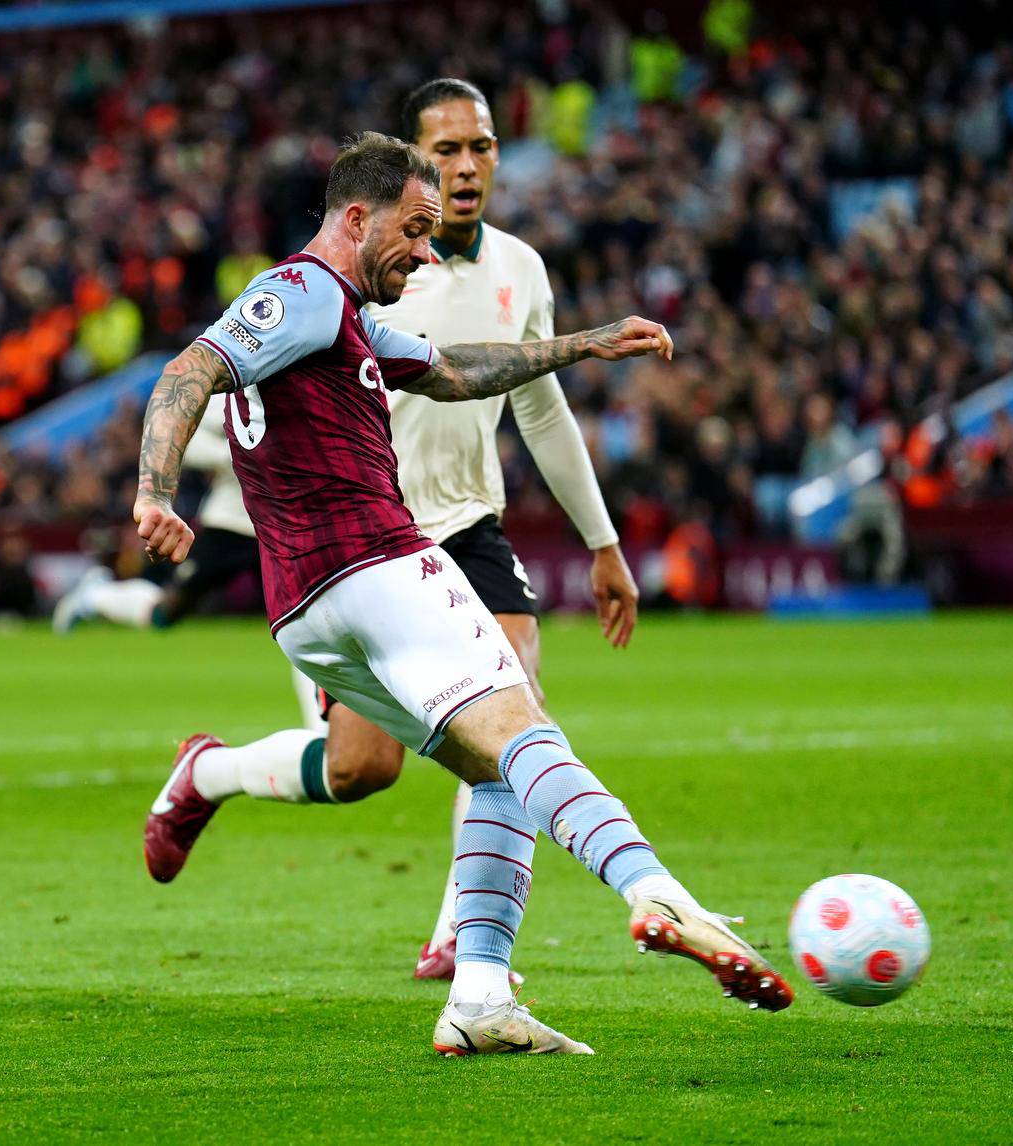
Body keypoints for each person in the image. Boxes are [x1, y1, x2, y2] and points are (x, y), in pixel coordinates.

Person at [137, 132, 790, 1055]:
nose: (427, 251)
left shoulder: (348, 318)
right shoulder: (303, 292)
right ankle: (662, 895)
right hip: (376, 566)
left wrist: (580, 344)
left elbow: (448, 371)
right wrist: (154, 495)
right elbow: (188, 370)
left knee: (488, 769)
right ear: (356, 218)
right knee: (526, 731)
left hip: (305, 614)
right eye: (413, 229)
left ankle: (480, 996)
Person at [144, 79, 642, 987]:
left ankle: (465, 940)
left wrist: (601, 525)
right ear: (398, 180)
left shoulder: (514, 272)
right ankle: (206, 774)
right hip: (350, 548)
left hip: (460, 528)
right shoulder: (321, 286)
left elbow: (504, 392)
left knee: (514, 720)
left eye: (481, 147)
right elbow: (203, 369)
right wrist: (157, 487)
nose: (463, 169)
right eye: (443, 152)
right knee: (359, 771)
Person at [51, 393, 265, 635]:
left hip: (286, 520)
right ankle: (97, 596)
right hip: (231, 521)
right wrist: (233, 456)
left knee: (301, 609)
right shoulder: (229, 397)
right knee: (167, 610)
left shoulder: (302, 383)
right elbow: (184, 440)